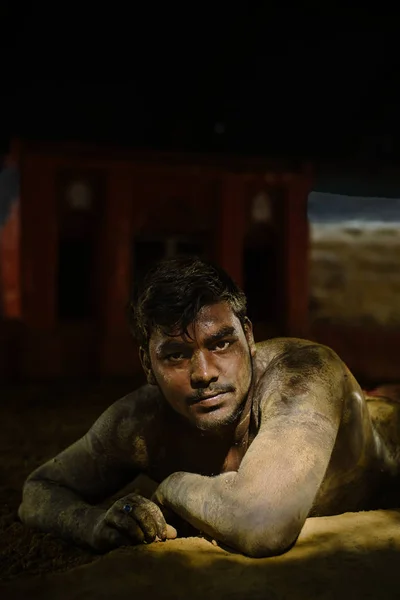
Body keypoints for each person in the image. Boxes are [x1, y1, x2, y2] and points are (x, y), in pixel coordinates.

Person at [18, 257, 400, 558]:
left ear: (248, 336)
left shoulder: (303, 373)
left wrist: (172, 486)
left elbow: (263, 522)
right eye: (176, 355)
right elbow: (40, 489)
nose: (203, 374)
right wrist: (92, 524)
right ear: (147, 365)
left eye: (220, 344)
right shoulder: (140, 424)